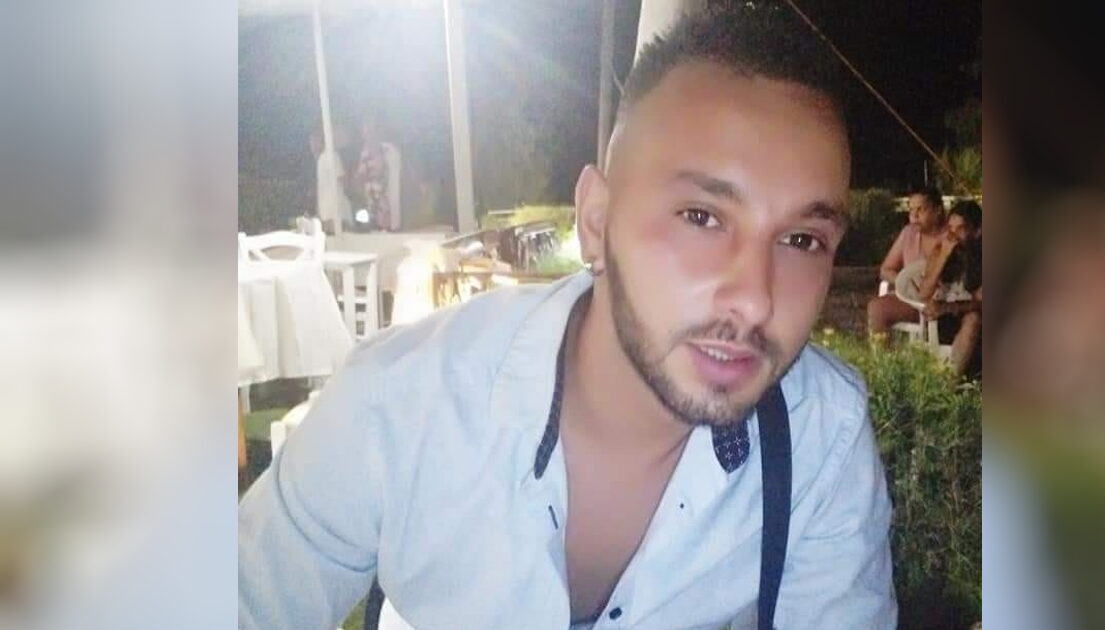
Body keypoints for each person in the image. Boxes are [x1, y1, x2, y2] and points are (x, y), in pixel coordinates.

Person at [239, 5, 895, 629]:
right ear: (596, 221)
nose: (755, 299)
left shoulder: (818, 438)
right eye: (702, 217)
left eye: (802, 240)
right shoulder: (402, 406)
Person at [866, 186, 948, 336]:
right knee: (877, 308)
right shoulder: (908, 233)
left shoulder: (950, 237)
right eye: (911, 210)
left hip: (944, 302)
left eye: (921, 210)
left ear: (937, 210)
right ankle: (881, 351)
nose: (914, 216)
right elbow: (886, 270)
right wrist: (906, 282)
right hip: (913, 301)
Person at [917, 200, 983, 376]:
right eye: (950, 228)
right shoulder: (940, 251)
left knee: (973, 318)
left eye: (960, 229)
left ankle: (951, 383)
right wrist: (944, 256)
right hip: (941, 319)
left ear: (977, 231)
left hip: (971, 318)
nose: (953, 235)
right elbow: (923, 293)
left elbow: (981, 302)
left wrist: (949, 307)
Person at [356, 117, 402, 231]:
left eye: (370, 132)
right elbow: (361, 176)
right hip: (372, 207)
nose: (367, 137)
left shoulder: (390, 151)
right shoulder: (365, 153)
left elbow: (385, 173)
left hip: (388, 208)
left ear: (377, 133)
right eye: (365, 133)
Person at [310, 128, 352, 233]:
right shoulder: (330, 156)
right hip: (334, 213)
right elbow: (344, 181)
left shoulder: (326, 157)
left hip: (330, 213)